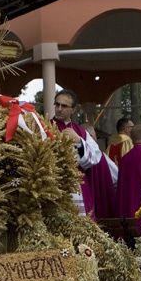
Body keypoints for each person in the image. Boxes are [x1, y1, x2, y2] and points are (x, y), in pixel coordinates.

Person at [50, 89, 102, 219]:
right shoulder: (45, 127)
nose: (59, 109)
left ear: (73, 110)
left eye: (64, 106)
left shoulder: (80, 132)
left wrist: (79, 141)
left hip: (77, 184)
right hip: (53, 182)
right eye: (57, 105)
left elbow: (96, 157)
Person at [80, 122, 118, 219]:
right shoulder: (100, 157)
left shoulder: (73, 156)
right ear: (92, 136)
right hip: (100, 201)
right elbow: (116, 177)